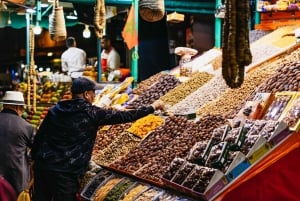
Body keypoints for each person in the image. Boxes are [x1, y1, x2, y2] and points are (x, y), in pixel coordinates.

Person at [31, 77, 165, 201]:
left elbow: (39, 136)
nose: (94, 97)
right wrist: (152, 107)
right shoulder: (91, 112)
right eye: (93, 93)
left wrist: (33, 158)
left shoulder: (55, 110)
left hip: (43, 166)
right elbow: (124, 116)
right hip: (65, 172)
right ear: (86, 94)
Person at [0, 91, 35, 195]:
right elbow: (37, 149)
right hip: (15, 177)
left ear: (4, 105)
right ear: (19, 108)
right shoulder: (26, 127)